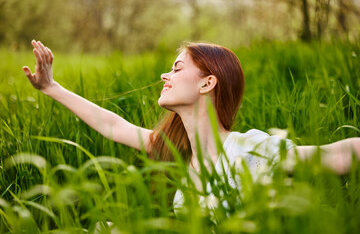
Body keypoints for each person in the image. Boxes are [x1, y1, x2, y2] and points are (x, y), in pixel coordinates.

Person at [23, 40, 360, 211]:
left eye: (177, 67)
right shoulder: (178, 151)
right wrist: (51, 87)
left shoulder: (251, 148)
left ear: (206, 83)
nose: (164, 75)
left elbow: (340, 153)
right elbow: (112, 126)